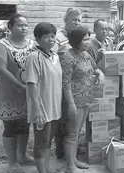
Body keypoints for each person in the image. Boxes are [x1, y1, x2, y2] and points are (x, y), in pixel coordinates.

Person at [0, 13, 35, 173]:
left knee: (24, 125)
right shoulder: (1, 46)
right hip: (10, 94)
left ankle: (22, 155)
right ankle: (12, 162)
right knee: (10, 127)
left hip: (28, 94)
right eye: (20, 25)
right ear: (10, 27)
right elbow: (1, 70)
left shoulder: (32, 45)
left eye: (26, 25)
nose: (24, 28)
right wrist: (20, 86)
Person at [60, 26, 105, 173]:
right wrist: (71, 104)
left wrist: (100, 73)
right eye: (85, 39)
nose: (87, 42)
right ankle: (70, 166)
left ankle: (74, 160)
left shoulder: (85, 54)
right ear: (76, 40)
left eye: (88, 39)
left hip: (86, 98)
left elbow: (94, 67)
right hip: (75, 100)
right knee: (72, 133)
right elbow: (65, 83)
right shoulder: (68, 57)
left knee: (78, 131)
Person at [25, 22, 62, 173]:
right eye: (46, 37)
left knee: (48, 141)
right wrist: (37, 110)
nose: (51, 39)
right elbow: (32, 84)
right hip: (42, 109)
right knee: (41, 143)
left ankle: (47, 168)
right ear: (37, 39)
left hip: (54, 108)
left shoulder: (55, 56)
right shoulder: (34, 57)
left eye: (53, 36)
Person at [52, 7, 82, 161]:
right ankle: (62, 154)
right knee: (63, 121)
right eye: (74, 19)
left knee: (72, 122)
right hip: (62, 85)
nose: (76, 22)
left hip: (76, 87)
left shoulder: (76, 37)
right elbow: (51, 59)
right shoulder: (58, 38)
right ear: (66, 20)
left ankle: (71, 153)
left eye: (79, 20)